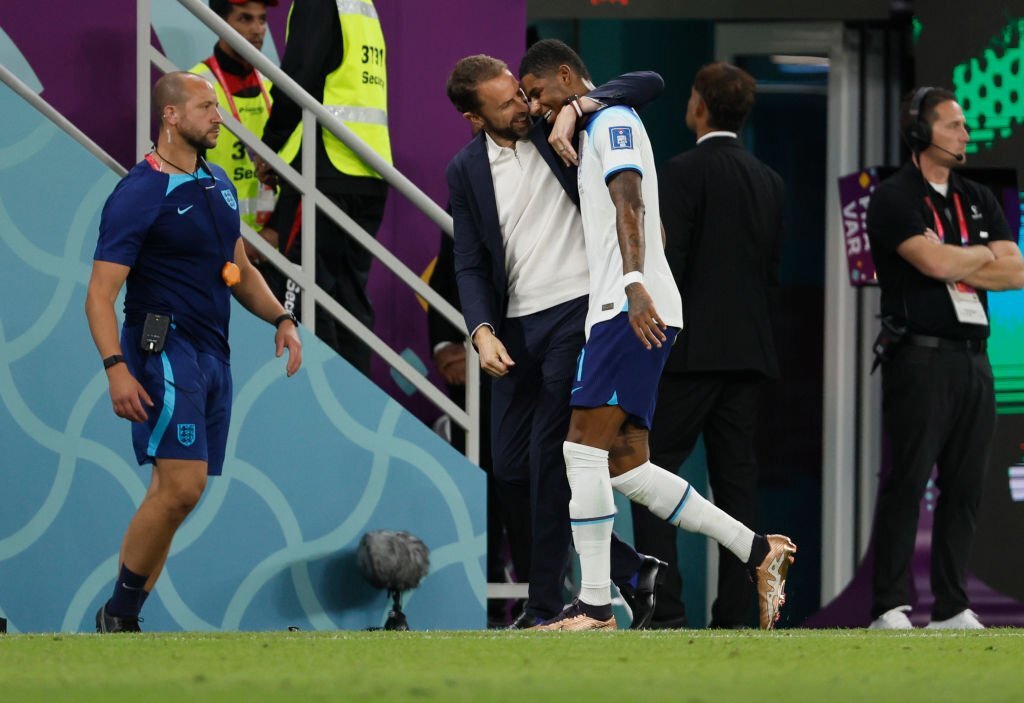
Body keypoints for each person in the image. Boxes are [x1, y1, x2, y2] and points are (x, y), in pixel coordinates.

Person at [518, 39, 795, 632]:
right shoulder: (589, 121)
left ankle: (594, 604)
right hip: (621, 302)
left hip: (628, 302)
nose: (537, 106)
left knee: (579, 449)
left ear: (567, 75)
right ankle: (758, 551)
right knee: (626, 466)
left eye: (540, 93)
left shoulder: (612, 120)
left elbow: (631, 201)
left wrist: (636, 282)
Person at [445, 55, 668, 629]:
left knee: (550, 462)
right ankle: (629, 567)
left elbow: (646, 79)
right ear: (475, 118)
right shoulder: (464, 169)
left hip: (578, 308)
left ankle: (545, 605)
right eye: (505, 105)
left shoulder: (555, 126)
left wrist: (577, 106)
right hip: (515, 328)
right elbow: (467, 261)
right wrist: (480, 329)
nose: (523, 108)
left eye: (521, 95)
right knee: (512, 467)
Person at [86, 72, 302, 633]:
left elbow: (240, 269)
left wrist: (282, 317)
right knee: (182, 485)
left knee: (180, 492)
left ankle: (120, 617)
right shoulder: (139, 191)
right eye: (207, 107)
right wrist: (116, 370)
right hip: (163, 345)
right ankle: (120, 615)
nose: (219, 116)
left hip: (214, 352)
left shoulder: (218, 184)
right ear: (171, 116)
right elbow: (100, 295)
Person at [866, 87, 1024, 630]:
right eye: (954, 126)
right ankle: (889, 604)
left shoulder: (978, 195)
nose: (965, 135)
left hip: (975, 360)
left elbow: (1016, 269)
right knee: (907, 481)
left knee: (965, 487)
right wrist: (978, 257)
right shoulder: (893, 197)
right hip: (920, 357)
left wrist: (962, 257)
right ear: (920, 131)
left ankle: (952, 605)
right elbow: (930, 263)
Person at [634, 62, 786, 629]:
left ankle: (663, 612)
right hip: (748, 357)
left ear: (698, 106)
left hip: (688, 355)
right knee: (736, 485)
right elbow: (769, 272)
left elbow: (666, 264)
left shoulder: (681, 172)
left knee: (652, 475)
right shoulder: (770, 181)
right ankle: (740, 617)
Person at [259, 0, 391, 376]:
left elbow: (299, 74)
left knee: (300, 294)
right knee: (347, 302)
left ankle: (317, 405)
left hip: (327, 165)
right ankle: (350, 399)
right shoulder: (362, 6)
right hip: (369, 168)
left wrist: (271, 145)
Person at [190, 0, 280, 261]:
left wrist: (275, 233)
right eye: (245, 19)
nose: (257, 29)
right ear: (220, 22)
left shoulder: (274, 85)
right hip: (213, 244)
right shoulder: (195, 85)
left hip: (271, 247)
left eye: (262, 20)